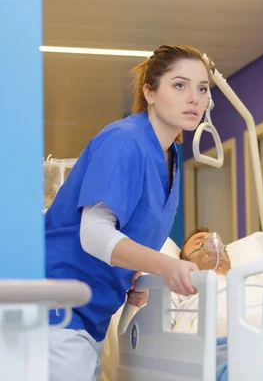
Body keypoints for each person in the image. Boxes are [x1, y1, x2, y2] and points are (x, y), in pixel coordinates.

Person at [45, 44, 214, 381]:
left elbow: (125, 237)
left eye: (203, 88)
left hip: (87, 317)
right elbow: (94, 234)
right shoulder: (125, 141)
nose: (194, 97)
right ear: (149, 92)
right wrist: (166, 265)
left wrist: (130, 274)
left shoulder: (171, 158)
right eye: (179, 85)